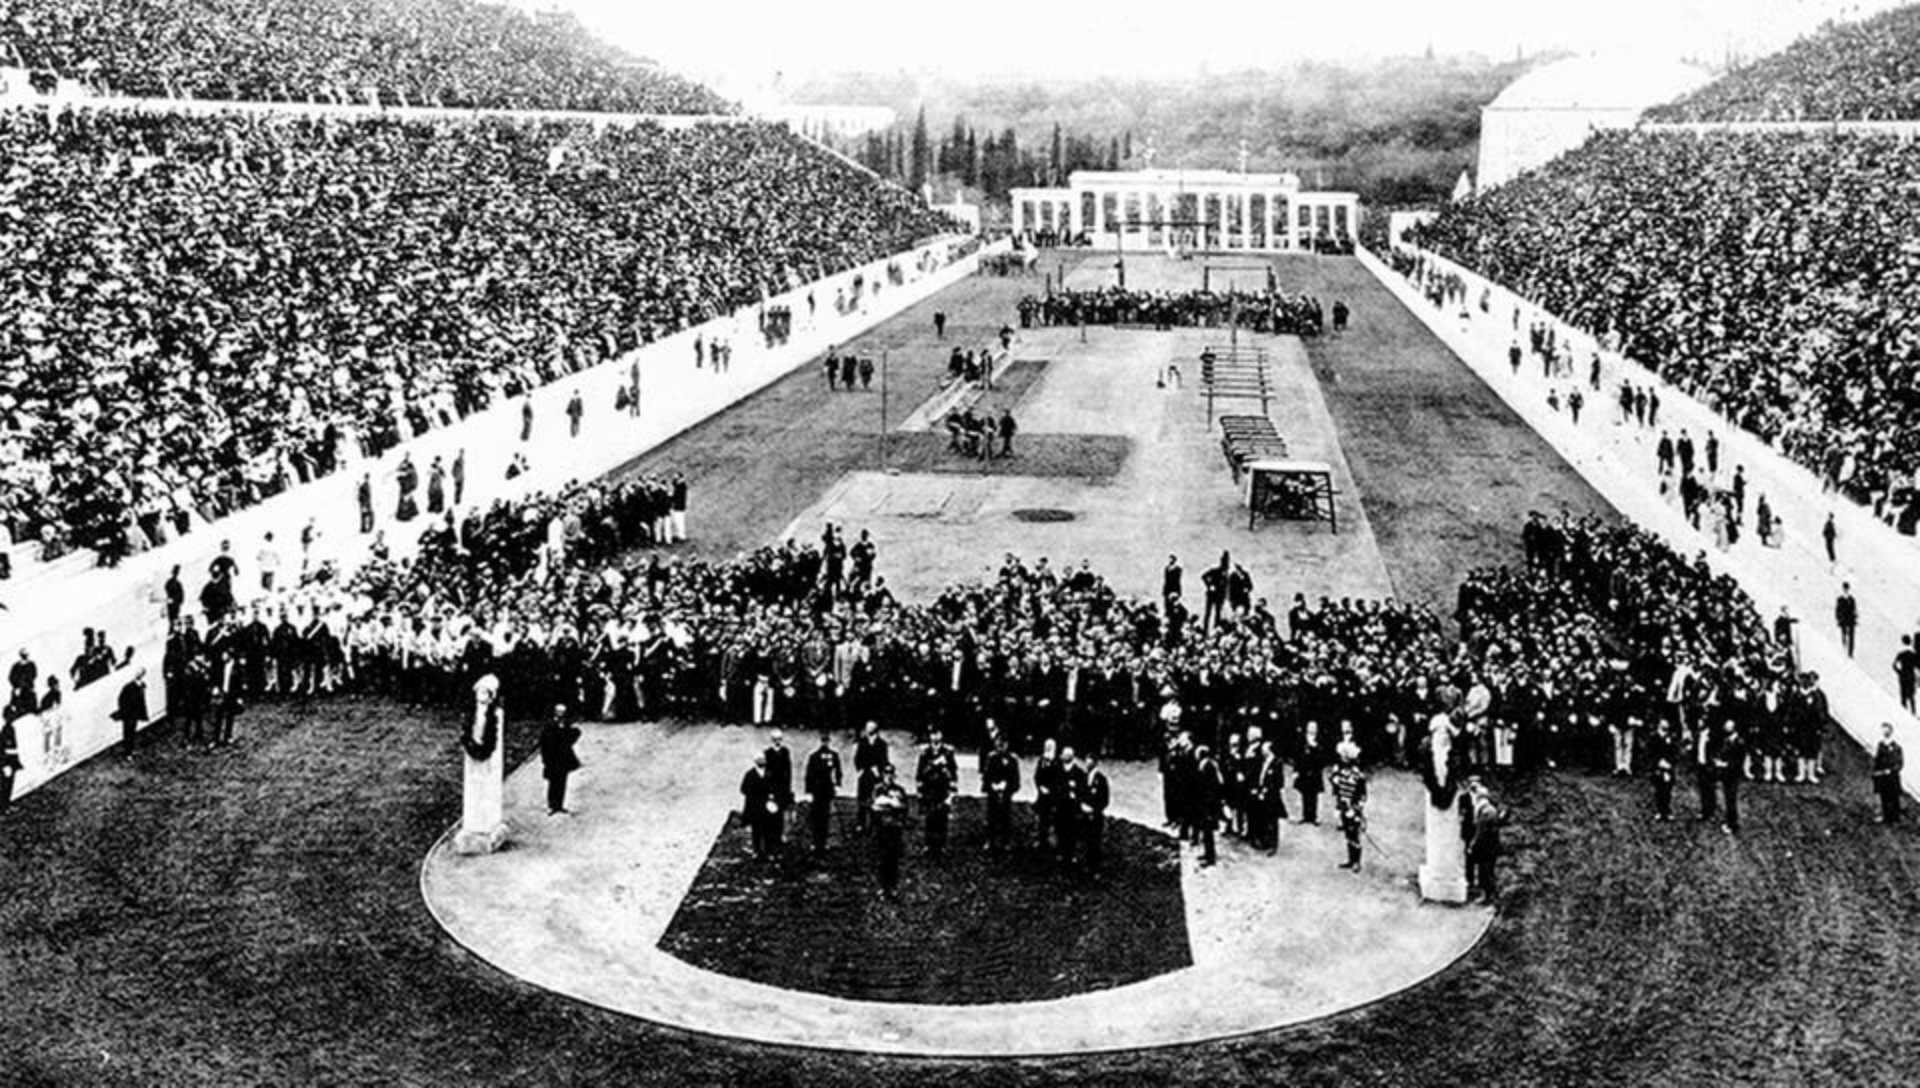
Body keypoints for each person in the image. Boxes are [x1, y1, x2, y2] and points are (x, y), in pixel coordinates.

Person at [916, 728, 958, 858]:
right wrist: (920, 790)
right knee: (930, 818)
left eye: (937, 734)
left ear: (941, 735)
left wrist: (952, 791)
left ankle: (941, 845)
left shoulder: (948, 752)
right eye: (932, 735)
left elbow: (953, 771)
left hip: (942, 789)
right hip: (930, 789)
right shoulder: (925, 753)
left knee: (942, 818)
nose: (935, 737)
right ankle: (929, 845)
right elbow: (920, 772)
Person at [1464, 775, 1504, 902]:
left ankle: (1487, 897)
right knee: (1488, 872)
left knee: (1485, 873)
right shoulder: (1490, 810)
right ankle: (1492, 895)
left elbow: (1480, 833)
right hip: (1491, 846)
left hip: (1486, 848)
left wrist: (1472, 845)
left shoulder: (1485, 812)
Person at [1330, 741, 1367, 871]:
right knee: (1347, 833)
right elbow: (1336, 787)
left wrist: (1357, 809)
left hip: (1353, 807)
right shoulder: (1339, 771)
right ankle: (1351, 860)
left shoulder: (1357, 774)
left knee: (1354, 834)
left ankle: (1357, 861)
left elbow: (1362, 794)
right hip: (1343, 806)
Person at [871, 764, 908, 897]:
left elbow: (903, 807)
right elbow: (874, 807)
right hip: (882, 828)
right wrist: (891, 804)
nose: (889, 777)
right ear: (883, 776)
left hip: (895, 828)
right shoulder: (877, 789)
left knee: (893, 860)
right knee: (882, 860)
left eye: (891, 774)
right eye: (886, 774)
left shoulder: (900, 790)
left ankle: (893, 887)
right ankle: (882, 887)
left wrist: (890, 805)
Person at [981, 730, 1020, 852]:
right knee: (991, 817)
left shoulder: (1012, 759)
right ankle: (990, 841)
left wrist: (1006, 786)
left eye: (1003, 744)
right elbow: (986, 775)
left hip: (1006, 793)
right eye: (998, 743)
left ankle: (1005, 841)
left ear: (1007, 745)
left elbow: (1015, 778)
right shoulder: (991, 758)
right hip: (993, 792)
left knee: (1005, 817)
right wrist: (992, 785)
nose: (1000, 746)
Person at [804, 729, 842, 853]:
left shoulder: (833, 755)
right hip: (816, 789)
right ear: (820, 741)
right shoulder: (814, 756)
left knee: (826, 817)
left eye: (827, 741)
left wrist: (837, 784)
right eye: (823, 741)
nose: (825, 743)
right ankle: (815, 842)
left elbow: (838, 771)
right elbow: (809, 775)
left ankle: (824, 842)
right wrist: (809, 791)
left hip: (827, 789)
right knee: (816, 817)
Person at [540, 703, 582, 816]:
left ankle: (560, 805)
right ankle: (552, 805)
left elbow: (572, 736)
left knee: (562, 782)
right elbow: (544, 743)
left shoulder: (566, 724)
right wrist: (545, 759)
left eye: (562, 712)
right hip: (553, 758)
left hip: (563, 758)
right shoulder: (549, 725)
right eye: (559, 711)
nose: (561, 714)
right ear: (555, 712)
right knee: (553, 782)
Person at [1077, 750, 1110, 872]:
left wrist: (1094, 809)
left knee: (1095, 842)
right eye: (1086, 761)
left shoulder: (1101, 780)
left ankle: (1095, 866)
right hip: (1084, 814)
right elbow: (1079, 793)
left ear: (1095, 763)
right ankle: (1086, 863)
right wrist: (1081, 805)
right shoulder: (1084, 777)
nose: (1087, 764)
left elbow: (1104, 800)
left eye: (1090, 762)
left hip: (1095, 816)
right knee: (1085, 839)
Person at [740, 752, 776, 859]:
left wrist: (772, 796)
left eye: (763, 759)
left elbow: (774, 787)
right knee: (756, 830)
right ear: (755, 762)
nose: (762, 761)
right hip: (755, 808)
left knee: (768, 830)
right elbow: (743, 789)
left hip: (767, 807)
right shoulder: (750, 775)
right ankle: (757, 851)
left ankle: (769, 851)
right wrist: (753, 795)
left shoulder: (770, 773)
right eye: (759, 759)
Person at [853, 720, 888, 830]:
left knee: (875, 798)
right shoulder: (862, 742)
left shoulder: (882, 744)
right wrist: (861, 769)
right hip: (865, 774)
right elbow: (857, 758)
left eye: (871, 727)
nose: (868, 729)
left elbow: (884, 759)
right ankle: (861, 823)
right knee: (862, 799)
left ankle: (874, 823)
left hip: (876, 775)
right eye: (867, 727)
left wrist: (879, 770)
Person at [764, 729, 794, 849]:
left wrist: (788, 787)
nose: (777, 742)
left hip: (783, 787)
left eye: (779, 740)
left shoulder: (785, 752)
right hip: (773, 787)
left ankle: (781, 834)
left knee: (782, 812)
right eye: (775, 740)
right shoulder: (768, 753)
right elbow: (766, 772)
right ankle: (771, 835)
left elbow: (788, 770)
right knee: (772, 812)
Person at [1872, 722, 1904, 825]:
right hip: (1882, 776)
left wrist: (1891, 770)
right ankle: (1886, 817)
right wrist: (1876, 772)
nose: (1884, 731)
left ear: (1890, 731)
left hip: (1892, 777)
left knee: (1893, 797)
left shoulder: (1896, 747)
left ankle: (1895, 818)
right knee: (1884, 796)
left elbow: (1899, 763)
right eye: (1883, 729)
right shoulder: (1881, 745)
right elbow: (1877, 760)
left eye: (1886, 729)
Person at [113, 669, 149, 751]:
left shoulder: (142, 686)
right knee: (128, 733)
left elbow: (142, 701)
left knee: (131, 732)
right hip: (129, 715)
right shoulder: (128, 687)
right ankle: (128, 751)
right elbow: (121, 700)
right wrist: (126, 711)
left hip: (135, 714)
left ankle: (130, 750)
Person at [0, 711, 19, 812]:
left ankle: (7, 804)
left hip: (11, 762)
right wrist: (4, 765)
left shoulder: (10, 728)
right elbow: (3, 749)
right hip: (7, 762)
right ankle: (4, 806)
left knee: (9, 785)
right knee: (6, 785)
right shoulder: (6, 730)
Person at [1835, 583, 1858, 657]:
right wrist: (1839, 619)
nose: (1846, 590)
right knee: (1844, 635)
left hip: (1851, 621)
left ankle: (1850, 653)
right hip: (1844, 621)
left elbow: (1854, 610)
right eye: (1845, 589)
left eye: (1847, 589)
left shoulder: (1852, 599)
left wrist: (1855, 617)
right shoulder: (1840, 599)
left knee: (1851, 637)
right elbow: (1837, 610)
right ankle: (1844, 649)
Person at [1897, 637, 1918, 714]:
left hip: (1903, 676)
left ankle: (1904, 711)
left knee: (1903, 695)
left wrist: (1899, 672)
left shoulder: (1901, 654)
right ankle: (1913, 712)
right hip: (1911, 676)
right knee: (1911, 695)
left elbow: (1894, 665)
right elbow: (1917, 666)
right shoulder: (1913, 655)